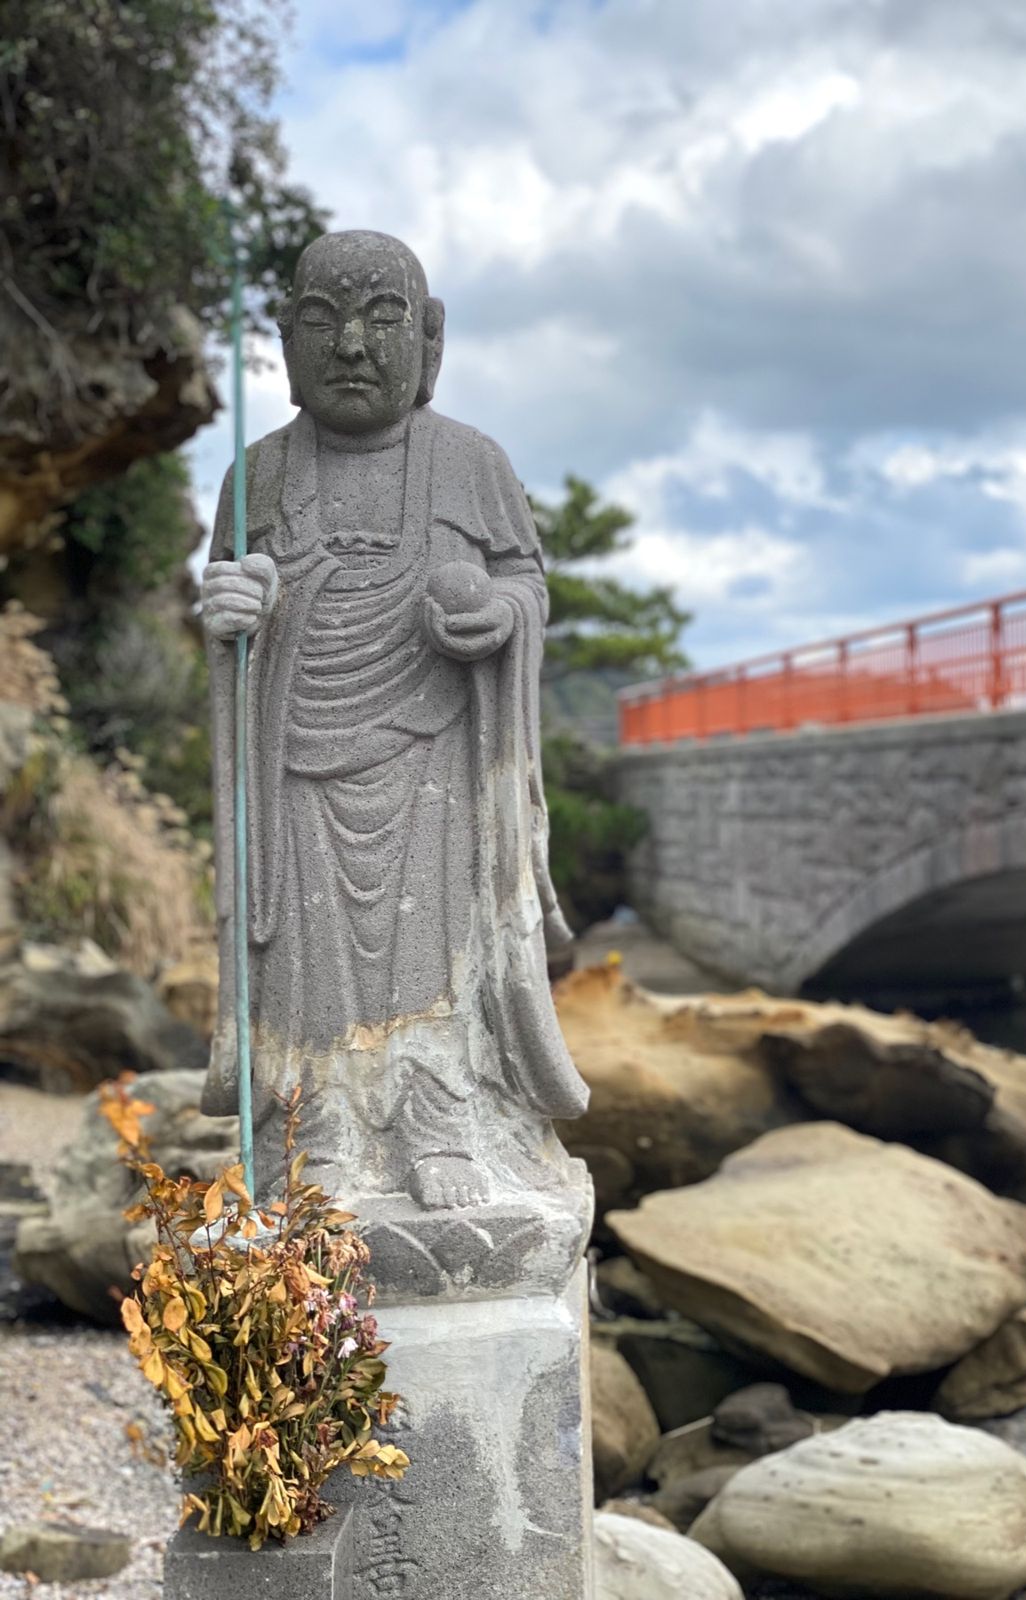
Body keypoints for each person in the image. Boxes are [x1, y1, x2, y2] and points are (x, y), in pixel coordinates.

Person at [200, 230, 587, 1210]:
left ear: (432, 342)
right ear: (288, 344)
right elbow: (226, 605)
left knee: (431, 951)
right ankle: (319, 1132)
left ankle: (437, 1124)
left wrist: (499, 615)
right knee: (312, 960)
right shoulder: (258, 477)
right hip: (295, 754)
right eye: (325, 324)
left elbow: (526, 586)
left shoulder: (471, 463)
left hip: (435, 752)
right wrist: (231, 617)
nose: (356, 349)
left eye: (386, 321)